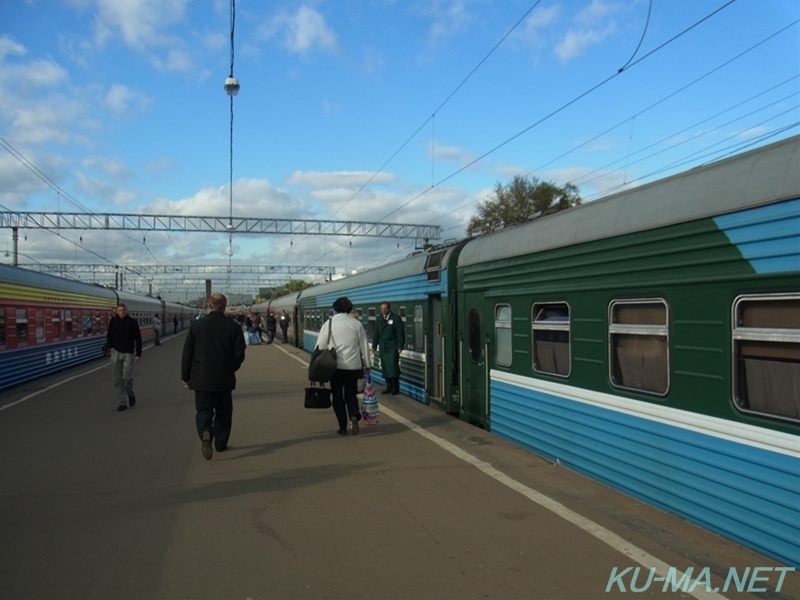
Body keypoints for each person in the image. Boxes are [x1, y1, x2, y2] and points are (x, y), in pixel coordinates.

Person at [181, 293, 246, 460]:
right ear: (224, 306)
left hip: (201, 378)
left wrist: (185, 375)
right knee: (224, 411)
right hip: (224, 377)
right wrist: (230, 368)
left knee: (203, 409)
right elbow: (240, 354)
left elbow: (188, 353)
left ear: (210, 306)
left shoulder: (197, 326)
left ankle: (205, 432)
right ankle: (220, 443)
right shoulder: (233, 327)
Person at [315, 296, 371, 436]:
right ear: (350, 309)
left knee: (338, 396)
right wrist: (368, 365)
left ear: (335, 309)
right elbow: (364, 346)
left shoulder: (328, 324)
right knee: (351, 394)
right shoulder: (356, 324)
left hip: (334, 367)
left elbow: (320, 346)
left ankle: (342, 427)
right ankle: (353, 414)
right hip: (353, 366)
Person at [106, 303, 142, 412]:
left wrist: (138, 354)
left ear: (127, 311)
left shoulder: (132, 322)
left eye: (124, 310)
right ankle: (122, 402)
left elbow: (138, 338)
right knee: (117, 379)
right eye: (120, 310)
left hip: (129, 353)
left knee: (127, 378)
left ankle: (130, 393)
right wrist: (110, 347)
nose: (122, 312)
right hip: (116, 352)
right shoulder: (113, 322)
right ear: (116, 311)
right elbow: (109, 335)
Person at [372, 301, 405, 395]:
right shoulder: (379, 319)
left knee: (393, 367)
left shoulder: (396, 318)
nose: (384, 310)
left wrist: (400, 346)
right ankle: (388, 386)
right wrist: (374, 346)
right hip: (383, 346)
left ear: (389, 308)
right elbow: (376, 333)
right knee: (385, 367)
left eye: (385, 309)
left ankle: (395, 387)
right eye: (382, 309)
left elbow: (400, 333)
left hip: (392, 346)